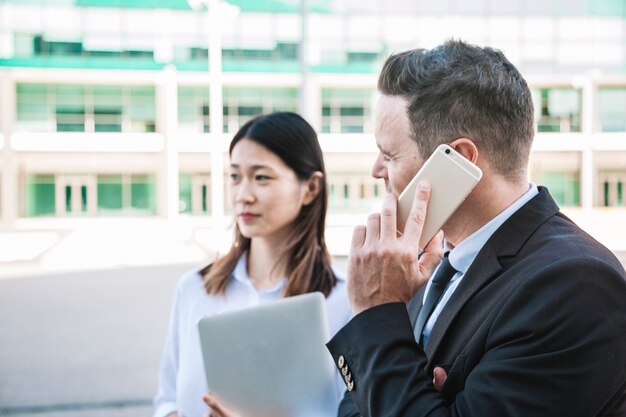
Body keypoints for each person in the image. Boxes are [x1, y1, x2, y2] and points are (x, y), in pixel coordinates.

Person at [326, 39, 626, 416]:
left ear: (460, 159)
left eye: (389, 154)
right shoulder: (422, 266)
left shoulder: (576, 284)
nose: (376, 170)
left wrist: (378, 312)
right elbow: (354, 408)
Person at [152, 112, 352, 417]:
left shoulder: (343, 302)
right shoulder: (193, 289)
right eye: (235, 176)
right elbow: (167, 400)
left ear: (311, 188)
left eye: (261, 177)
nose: (242, 195)